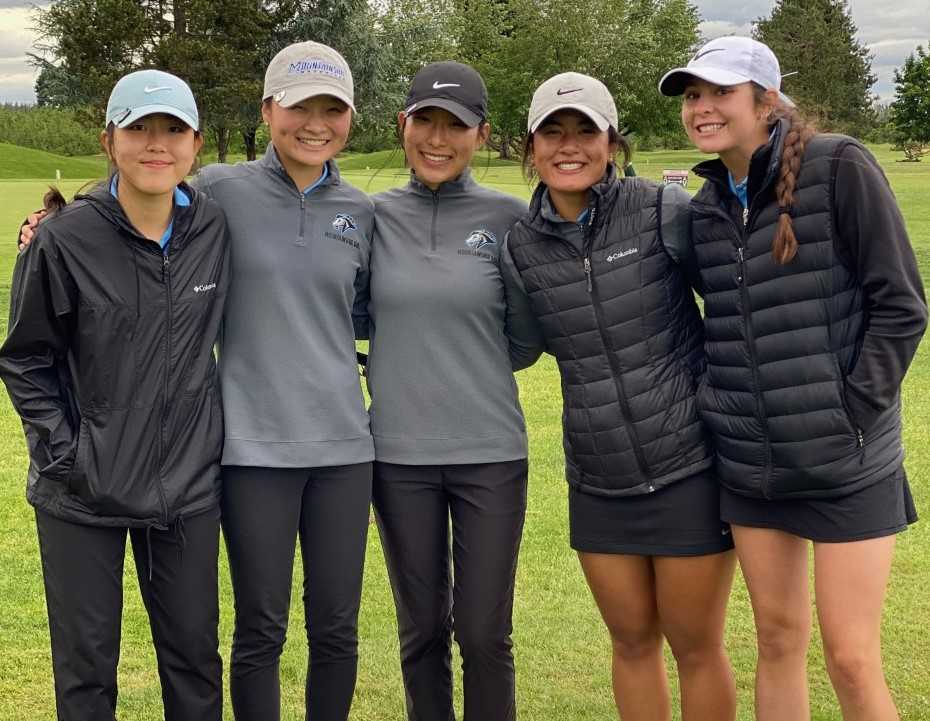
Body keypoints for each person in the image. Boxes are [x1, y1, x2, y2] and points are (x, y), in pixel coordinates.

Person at [659, 36, 928, 721]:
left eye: (720, 92)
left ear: (767, 101)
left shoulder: (840, 167)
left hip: (848, 462)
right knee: (777, 641)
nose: (702, 108)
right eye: (693, 95)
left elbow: (901, 306)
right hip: (752, 467)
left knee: (851, 656)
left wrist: (851, 411)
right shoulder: (705, 209)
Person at [504, 72, 736, 721]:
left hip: (690, 464)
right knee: (631, 642)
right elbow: (519, 345)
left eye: (585, 130)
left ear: (612, 141)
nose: (569, 145)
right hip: (598, 477)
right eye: (553, 132)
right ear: (531, 144)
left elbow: (731, 305)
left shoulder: (663, 208)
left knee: (696, 646)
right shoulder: (521, 246)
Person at [0, 69, 228, 721]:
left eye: (173, 130)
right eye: (138, 129)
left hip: (185, 490)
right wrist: (68, 456)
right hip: (80, 495)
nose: (156, 145)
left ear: (195, 144)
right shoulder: (62, 238)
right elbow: (26, 359)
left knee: (194, 666)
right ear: (109, 141)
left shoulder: (214, 230)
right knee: (86, 676)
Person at [192, 41, 374, 721]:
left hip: (345, 453)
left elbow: (373, 311)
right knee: (260, 628)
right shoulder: (218, 190)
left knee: (336, 628)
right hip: (252, 452)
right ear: (269, 110)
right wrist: (52, 223)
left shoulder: (363, 212)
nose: (316, 123)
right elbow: (133, 205)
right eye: (302, 108)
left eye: (333, 109)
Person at [361, 61, 543, 721]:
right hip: (397, 456)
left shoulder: (508, 217)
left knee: (484, 633)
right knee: (422, 631)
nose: (438, 139)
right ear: (403, 125)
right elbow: (350, 311)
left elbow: (524, 338)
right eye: (425, 122)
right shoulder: (371, 216)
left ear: (482, 134)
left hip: (489, 455)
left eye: (456, 126)